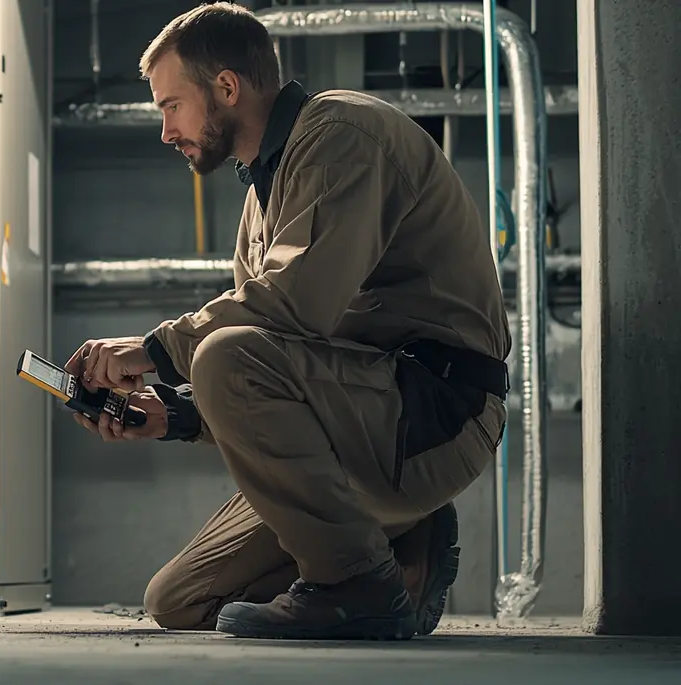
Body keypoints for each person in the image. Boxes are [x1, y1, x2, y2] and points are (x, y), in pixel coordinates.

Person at [65, 2, 511, 641]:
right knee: (177, 601)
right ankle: (402, 544)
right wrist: (176, 414)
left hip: (433, 414)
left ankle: (358, 583)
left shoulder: (344, 136)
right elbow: (279, 376)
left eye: (170, 106)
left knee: (223, 353)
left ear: (226, 87)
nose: (165, 131)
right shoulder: (258, 202)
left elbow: (291, 311)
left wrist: (152, 350)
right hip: (360, 421)